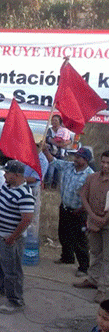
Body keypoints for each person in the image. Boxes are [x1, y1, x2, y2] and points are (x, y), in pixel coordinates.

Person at [0, 160, 34, 314]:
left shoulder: (25, 194)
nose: (4, 175)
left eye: (7, 173)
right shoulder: (7, 185)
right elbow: (1, 197)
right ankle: (1, 288)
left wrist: (13, 237)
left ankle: (16, 301)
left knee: (12, 270)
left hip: (11, 239)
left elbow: (27, 219)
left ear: (17, 175)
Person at [43, 146, 95, 275]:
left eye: (79, 157)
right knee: (63, 234)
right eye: (75, 156)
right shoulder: (68, 166)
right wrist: (45, 151)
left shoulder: (90, 176)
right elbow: (53, 161)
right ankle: (67, 257)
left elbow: (91, 197)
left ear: (86, 160)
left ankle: (83, 267)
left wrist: (82, 209)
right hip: (65, 208)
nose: (75, 159)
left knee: (79, 240)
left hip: (79, 211)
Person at [74, 150, 109, 303]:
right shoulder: (92, 177)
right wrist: (92, 216)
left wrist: (105, 218)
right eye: (103, 162)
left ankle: (104, 288)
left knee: (108, 257)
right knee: (95, 252)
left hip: (107, 224)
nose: (105, 165)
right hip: (93, 221)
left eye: (108, 163)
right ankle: (93, 279)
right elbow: (83, 196)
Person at [23, 139, 49, 252]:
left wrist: (18, 179)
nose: (35, 147)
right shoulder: (28, 155)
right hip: (23, 187)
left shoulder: (42, 160)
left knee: (32, 218)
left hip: (33, 189)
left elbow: (34, 178)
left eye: (37, 145)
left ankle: (29, 243)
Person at [45, 114, 72, 188]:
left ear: (59, 121)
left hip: (61, 155)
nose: (54, 122)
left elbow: (70, 140)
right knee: (50, 171)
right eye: (52, 120)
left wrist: (64, 143)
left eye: (55, 120)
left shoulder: (64, 130)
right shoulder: (49, 130)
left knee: (59, 172)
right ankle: (47, 186)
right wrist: (59, 144)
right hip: (51, 154)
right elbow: (48, 139)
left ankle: (55, 187)